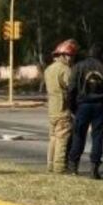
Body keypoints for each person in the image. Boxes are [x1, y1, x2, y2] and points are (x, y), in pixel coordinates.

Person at [67, 43, 103, 179]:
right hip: (100, 106)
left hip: (83, 106)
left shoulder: (79, 67)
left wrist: (72, 107)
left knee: (78, 135)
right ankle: (94, 168)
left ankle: (73, 166)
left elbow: (71, 89)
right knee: (98, 138)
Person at [44, 39, 78, 173]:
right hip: (63, 109)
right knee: (62, 140)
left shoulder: (48, 69)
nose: (71, 59)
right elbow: (72, 87)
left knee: (53, 139)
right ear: (63, 55)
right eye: (70, 56)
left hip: (52, 109)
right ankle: (59, 167)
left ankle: (50, 165)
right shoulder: (65, 70)